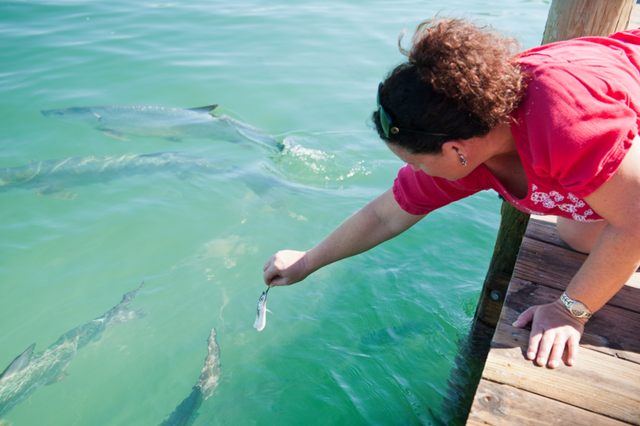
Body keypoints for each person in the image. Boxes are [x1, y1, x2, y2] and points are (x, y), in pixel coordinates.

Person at [263, 18, 640, 369]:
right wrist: (307, 261)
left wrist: (569, 310)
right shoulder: (468, 140)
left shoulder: (567, 126)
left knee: (625, 221)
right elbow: (385, 215)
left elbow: (636, 221)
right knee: (578, 234)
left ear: (456, 149)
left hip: (602, 105)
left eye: (419, 163)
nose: (415, 173)